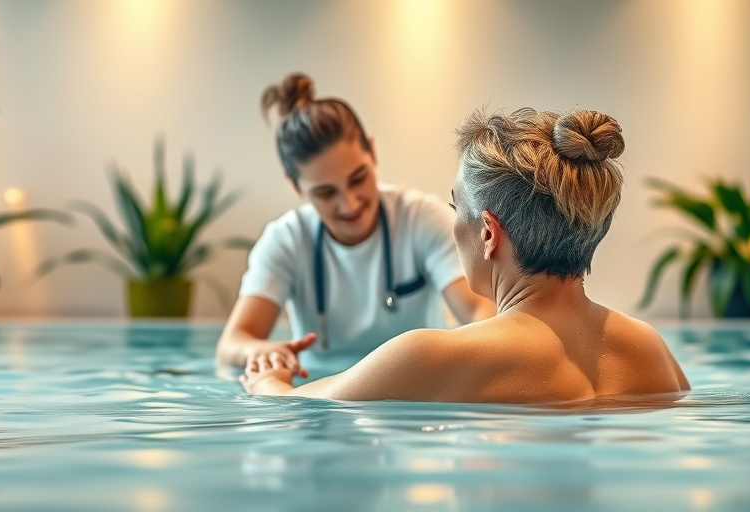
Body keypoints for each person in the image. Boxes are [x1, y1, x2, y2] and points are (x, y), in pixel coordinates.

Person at [241, 107, 690, 403]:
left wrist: (266, 380)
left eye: (457, 208)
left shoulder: (431, 355)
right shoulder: (649, 347)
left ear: (489, 233)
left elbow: (294, 410)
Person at [216, 73, 495, 377]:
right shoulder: (286, 240)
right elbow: (232, 343)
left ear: (372, 152)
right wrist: (259, 351)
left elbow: (481, 311)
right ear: (295, 187)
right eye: (325, 193)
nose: (349, 204)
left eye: (358, 178)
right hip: (321, 396)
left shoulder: (422, 218)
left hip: (414, 395)